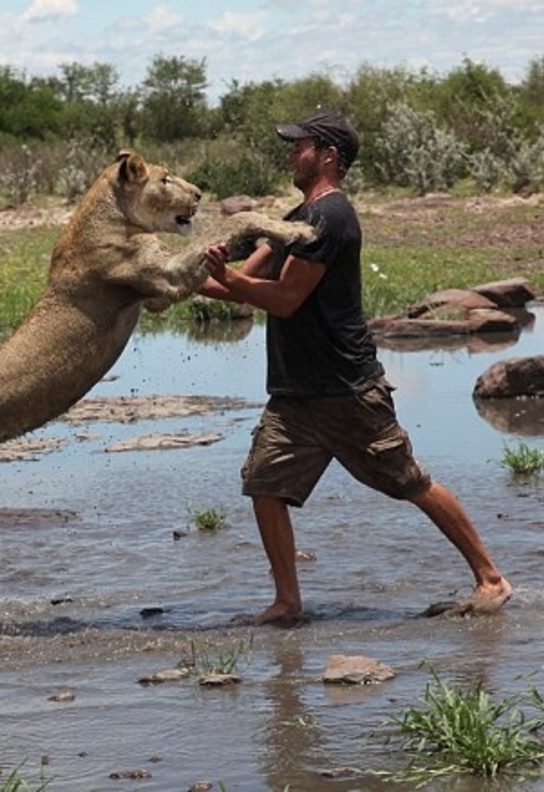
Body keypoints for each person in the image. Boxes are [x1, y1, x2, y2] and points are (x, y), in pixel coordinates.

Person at [199, 110, 512, 625]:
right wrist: (172, 277)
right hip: (296, 395)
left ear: (328, 156)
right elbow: (235, 283)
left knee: (409, 481)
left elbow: (284, 299)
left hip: (345, 390)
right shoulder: (293, 219)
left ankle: (491, 577)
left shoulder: (332, 218)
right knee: (264, 486)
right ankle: (287, 602)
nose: (290, 155)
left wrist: (228, 280)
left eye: (298, 146)